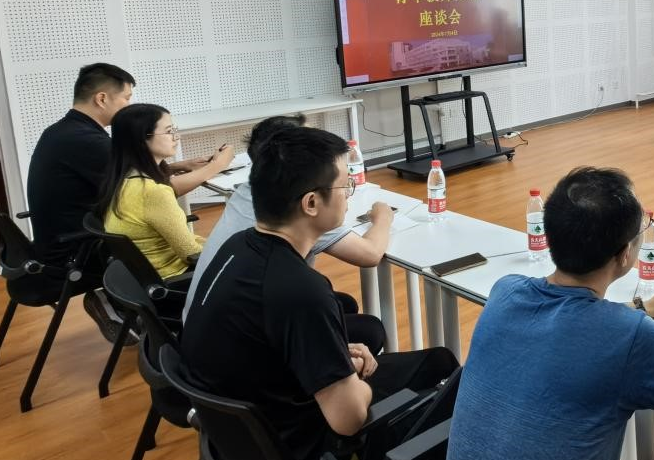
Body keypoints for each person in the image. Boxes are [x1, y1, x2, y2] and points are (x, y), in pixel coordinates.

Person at [180, 126, 458, 460]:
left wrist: (335, 357)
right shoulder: (300, 291)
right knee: (450, 381)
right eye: (345, 186)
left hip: (242, 445)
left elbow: (263, 344)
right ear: (311, 203)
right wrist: (351, 376)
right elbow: (349, 420)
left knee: (436, 361)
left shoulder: (237, 247)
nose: (349, 195)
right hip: (306, 458)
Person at [442, 167, 654, 460]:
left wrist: (644, 307)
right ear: (626, 254)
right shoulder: (632, 337)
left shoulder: (505, 292)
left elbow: (571, 322)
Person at [182, 115, 392, 352]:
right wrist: (383, 217)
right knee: (370, 330)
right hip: (239, 354)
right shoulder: (296, 219)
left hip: (205, 335)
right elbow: (370, 254)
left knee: (342, 304)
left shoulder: (252, 196)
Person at [25, 64, 134, 341]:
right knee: (159, 239)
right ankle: (131, 309)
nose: (130, 106)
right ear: (102, 98)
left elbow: (129, 173)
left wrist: (177, 167)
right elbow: (143, 188)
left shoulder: (63, 131)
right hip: (76, 255)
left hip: (54, 246)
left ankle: (125, 307)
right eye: (127, 98)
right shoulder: (86, 140)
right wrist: (214, 167)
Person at [97, 104, 205, 281]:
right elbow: (191, 254)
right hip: (175, 279)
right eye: (169, 131)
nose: (176, 137)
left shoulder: (122, 179)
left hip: (141, 278)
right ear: (142, 139)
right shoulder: (153, 192)